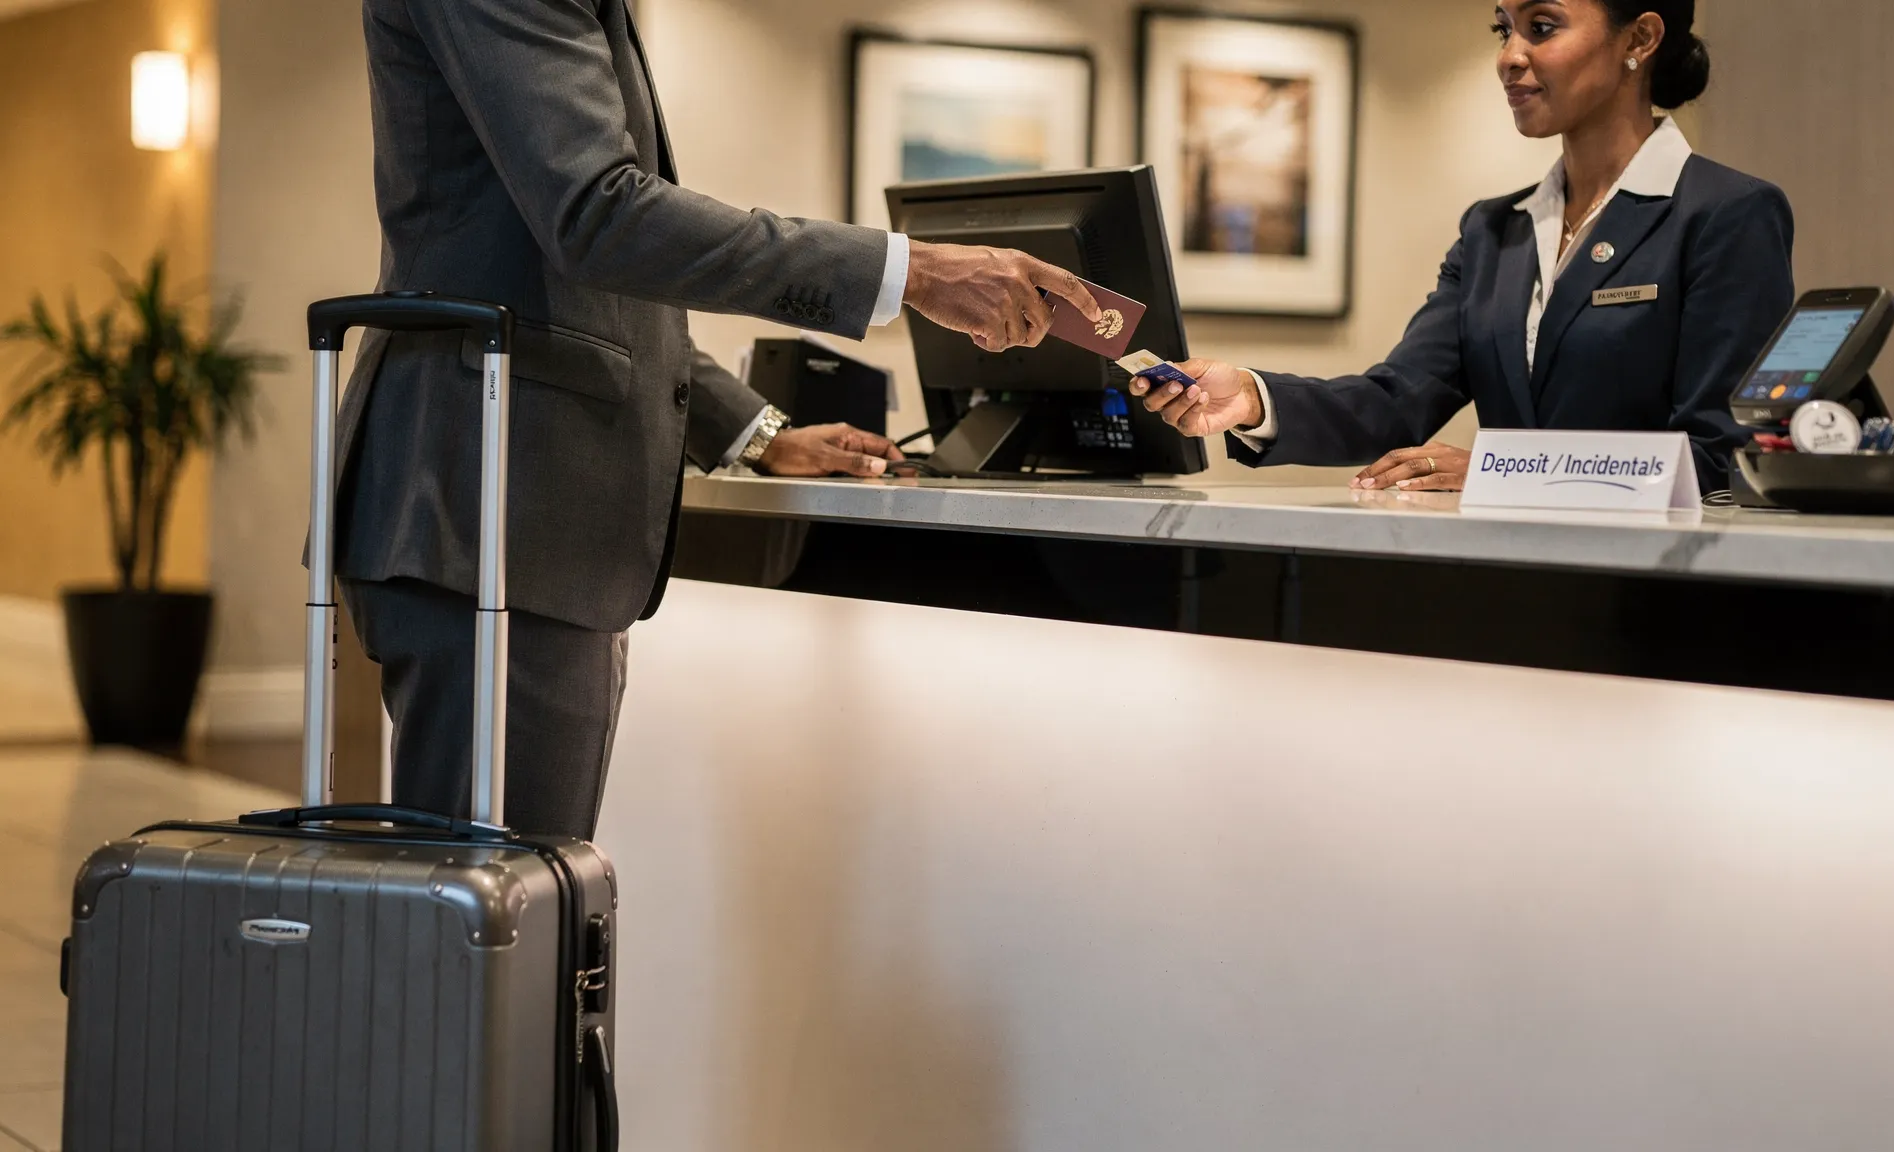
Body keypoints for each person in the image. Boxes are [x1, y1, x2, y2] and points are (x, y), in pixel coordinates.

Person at [334, 0, 1102, 839]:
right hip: (493, 504)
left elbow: (590, 299)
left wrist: (758, 434)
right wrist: (906, 272)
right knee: (491, 932)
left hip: (518, 514)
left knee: (518, 923)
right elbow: (598, 217)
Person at [1133, 0, 1792, 495]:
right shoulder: (1492, 230)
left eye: (1541, 26)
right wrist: (1250, 397)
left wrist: (1500, 474)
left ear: (1640, 39)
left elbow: (1719, 456)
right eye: (1502, 27)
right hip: (1504, 595)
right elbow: (1399, 399)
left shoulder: (1726, 214)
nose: (1509, 54)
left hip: (1653, 609)